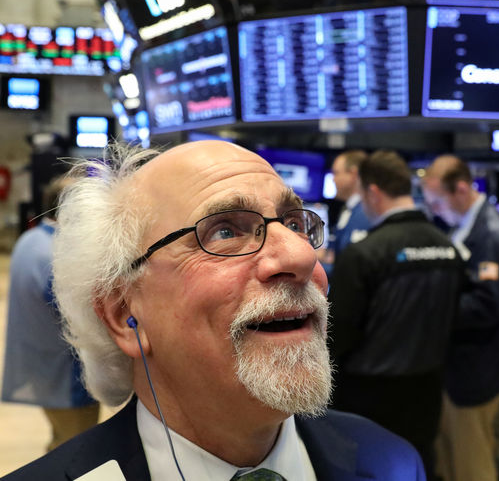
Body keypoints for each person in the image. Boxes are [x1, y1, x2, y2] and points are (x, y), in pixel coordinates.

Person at [2, 141, 423, 481]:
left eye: (295, 224)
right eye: (224, 231)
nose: (300, 255)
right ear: (123, 316)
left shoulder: (392, 462)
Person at [328, 150, 463, 479]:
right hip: (428, 389)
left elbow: (339, 333)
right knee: (419, 466)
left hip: (369, 396)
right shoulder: (448, 247)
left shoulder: (364, 254)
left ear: (372, 192)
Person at [422, 155, 499, 481]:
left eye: (437, 202)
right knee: (452, 459)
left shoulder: (491, 235)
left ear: (462, 189)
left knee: (472, 466)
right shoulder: (465, 226)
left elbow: (486, 305)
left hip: (478, 369)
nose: (434, 211)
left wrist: (431, 308)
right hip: (460, 366)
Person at [2, 176, 100, 451]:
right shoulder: (60, 257)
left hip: (42, 372)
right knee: (80, 456)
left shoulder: (30, 239)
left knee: (59, 444)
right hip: (65, 379)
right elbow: (91, 322)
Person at [320, 150, 370, 277]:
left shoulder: (364, 213)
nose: (333, 179)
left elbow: (350, 269)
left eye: (336, 173)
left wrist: (311, 265)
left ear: (353, 174)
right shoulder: (350, 209)